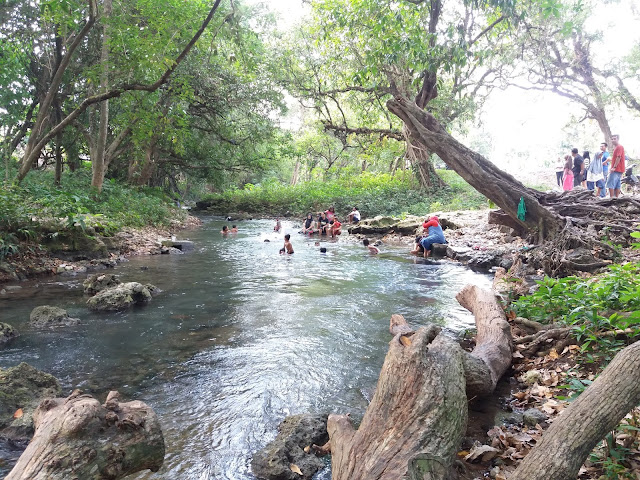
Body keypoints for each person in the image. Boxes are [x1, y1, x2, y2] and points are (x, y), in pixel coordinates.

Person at [606, 134, 625, 198]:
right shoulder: (617, 147)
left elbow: (618, 157)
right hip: (619, 169)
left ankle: (611, 198)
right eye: (612, 139)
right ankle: (616, 198)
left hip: (617, 169)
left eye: (615, 139)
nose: (613, 140)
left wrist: (614, 167)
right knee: (617, 184)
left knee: (610, 183)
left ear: (618, 139)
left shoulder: (619, 147)